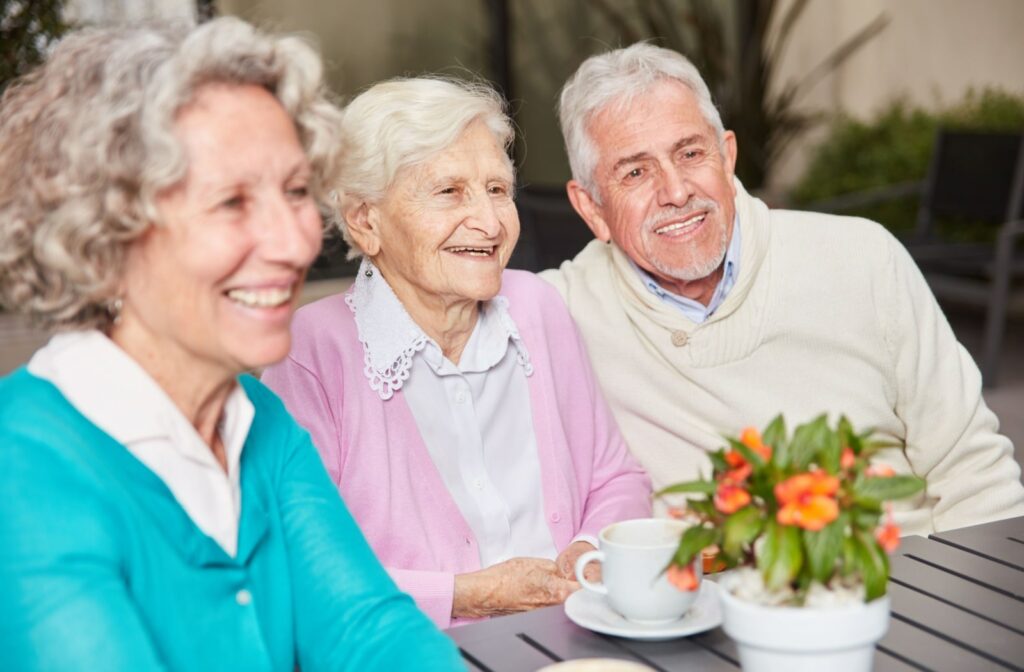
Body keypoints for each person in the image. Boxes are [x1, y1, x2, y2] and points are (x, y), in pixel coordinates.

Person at [0, 19, 464, 671]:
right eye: (232, 202)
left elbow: (368, 633)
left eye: (297, 191)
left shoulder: (256, 419)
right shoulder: (23, 467)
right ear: (105, 239)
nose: (296, 241)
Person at [542, 43, 1024, 536]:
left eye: (690, 153)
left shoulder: (863, 258)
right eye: (635, 172)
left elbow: (975, 475)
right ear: (592, 208)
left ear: (727, 157)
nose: (676, 191)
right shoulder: (558, 312)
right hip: (709, 603)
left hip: (903, 580)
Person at [261, 77, 652, 628]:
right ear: (364, 220)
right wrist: (471, 595)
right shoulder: (309, 353)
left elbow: (616, 479)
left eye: (497, 189)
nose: (490, 222)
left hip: (575, 635)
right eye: (450, 192)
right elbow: (301, 569)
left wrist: (587, 553)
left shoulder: (537, 308)